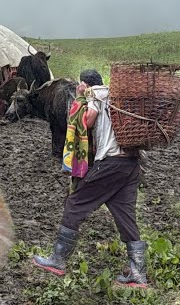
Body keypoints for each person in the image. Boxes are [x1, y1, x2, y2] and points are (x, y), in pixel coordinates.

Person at [33, 69, 149, 289]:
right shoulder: (118, 96)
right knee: (125, 216)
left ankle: (57, 260)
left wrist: (81, 97)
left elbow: (87, 121)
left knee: (75, 203)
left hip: (111, 163)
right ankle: (138, 274)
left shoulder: (95, 95)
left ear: (84, 83)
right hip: (131, 165)